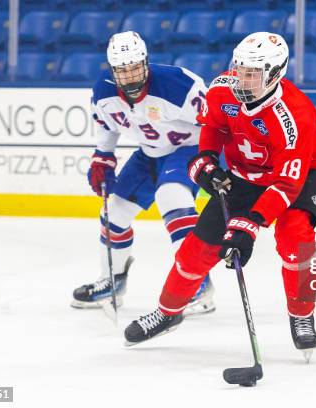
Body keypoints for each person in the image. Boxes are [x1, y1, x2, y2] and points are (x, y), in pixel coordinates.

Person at [123, 32, 316, 357]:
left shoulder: (295, 116)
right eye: (240, 68)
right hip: (245, 175)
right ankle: (168, 312)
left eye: (253, 73)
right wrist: (207, 159)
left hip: (303, 176)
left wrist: (248, 226)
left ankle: (302, 315)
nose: (242, 78)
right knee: (196, 250)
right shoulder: (223, 89)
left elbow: (285, 186)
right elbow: (215, 126)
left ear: (275, 74)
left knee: (295, 236)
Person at [70, 31, 215, 316]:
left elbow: (213, 123)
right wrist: (103, 157)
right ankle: (113, 281)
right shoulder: (104, 92)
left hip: (188, 148)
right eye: (122, 71)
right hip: (149, 154)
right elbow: (107, 125)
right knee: (115, 214)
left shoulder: (179, 84)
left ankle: (198, 283)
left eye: (135, 68)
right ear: (113, 70)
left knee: (171, 195)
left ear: (146, 63)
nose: (131, 76)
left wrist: (217, 159)